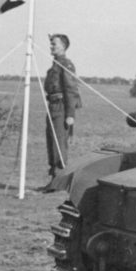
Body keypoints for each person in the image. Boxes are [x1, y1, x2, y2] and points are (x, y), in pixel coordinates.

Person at [43, 33, 80, 186]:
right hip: (52, 106)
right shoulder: (55, 64)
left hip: (61, 108)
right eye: (51, 44)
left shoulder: (66, 64)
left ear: (63, 46)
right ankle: (54, 180)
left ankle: (59, 182)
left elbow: (71, 89)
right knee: (51, 143)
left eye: (54, 44)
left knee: (59, 144)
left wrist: (70, 114)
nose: (51, 47)